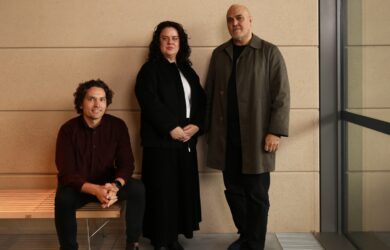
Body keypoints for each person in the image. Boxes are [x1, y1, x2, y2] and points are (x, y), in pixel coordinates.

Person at [205, 4, 290, 250]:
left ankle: (254, 244)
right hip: (226, 138)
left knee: (257, 195)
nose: (235, 23)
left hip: (256, 138)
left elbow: (282, 95)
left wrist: (275, 131)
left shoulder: (269, 52)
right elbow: (210, 94)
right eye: (230, 20)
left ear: (250, 20)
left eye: (239, 18)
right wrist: (206, 131)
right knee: (233, 191)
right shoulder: (219, 54)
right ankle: (245, 235)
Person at [135, 21, 206, 250]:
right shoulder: (149, 70)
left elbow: (202, 103)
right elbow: (149, 101)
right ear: (158, 42)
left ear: (181, 42)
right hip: (161, 142)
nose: (170, 42)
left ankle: (173, 236)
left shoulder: (188, 71)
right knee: (161, 192)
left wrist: (197, 126)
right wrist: (169, 127)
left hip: (185, 141)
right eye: (165, 38)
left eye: (174, 38)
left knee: (179, 192)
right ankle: (159, 239)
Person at [54, 79, 145, 250]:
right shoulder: (68, 130)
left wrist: (115, 186)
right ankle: (68, 248)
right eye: (91, 99)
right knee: (63, 199)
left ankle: (132, 243)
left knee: (138, 189)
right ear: (81, 103)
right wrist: (95, 190)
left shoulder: (117, 126)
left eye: (102, 99)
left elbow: (127, 164)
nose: (97, 104)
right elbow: (66, 173)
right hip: (79, 187)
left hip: (107, 183)